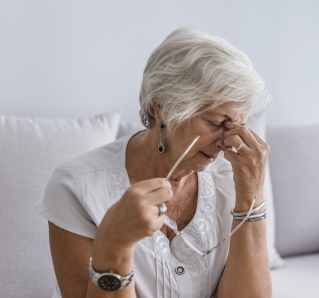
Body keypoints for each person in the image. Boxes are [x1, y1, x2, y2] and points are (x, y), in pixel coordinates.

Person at [36, 27, 272, 298]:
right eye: (216, 123)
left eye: (237, 126)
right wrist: (114, 247)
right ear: (163, 106)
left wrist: (251, 196)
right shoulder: (76, 187)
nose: (228, 142)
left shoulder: (234, 177)